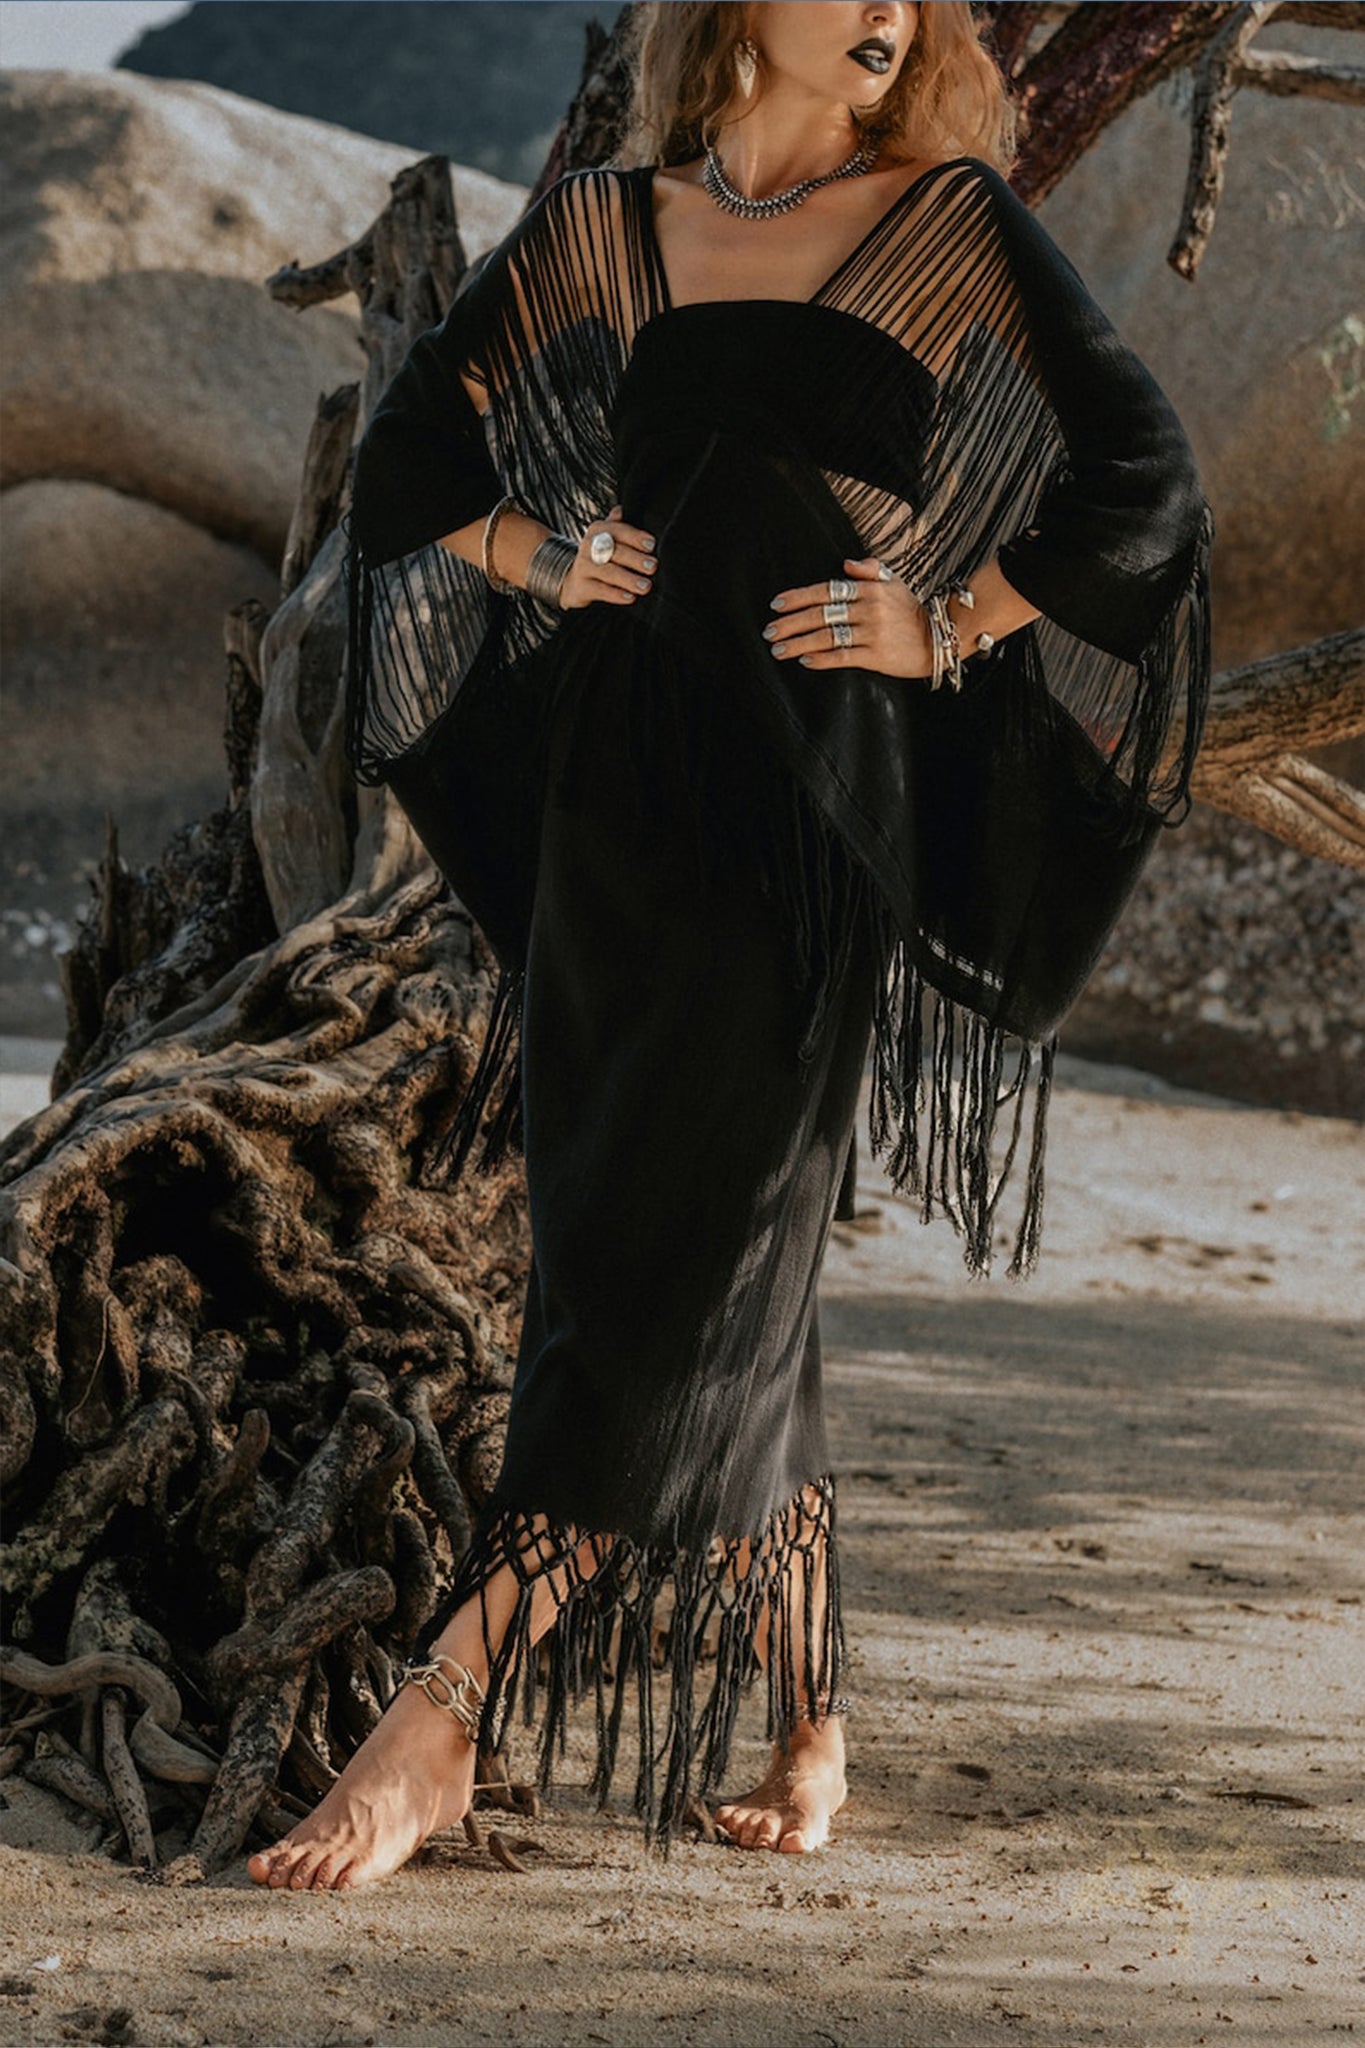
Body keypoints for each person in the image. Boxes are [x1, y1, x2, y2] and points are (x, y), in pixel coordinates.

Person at [248, 0, 1213, 1891]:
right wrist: (538, 556)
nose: (882, 10)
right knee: (657, 1242)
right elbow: (403, 473)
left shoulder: (940, 217)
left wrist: (951, 625)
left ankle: (440, 1714)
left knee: (705, 1243)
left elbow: (1143, 476)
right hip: (617, 798)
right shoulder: (613, 226)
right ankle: (810, 1720)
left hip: (806, 819)